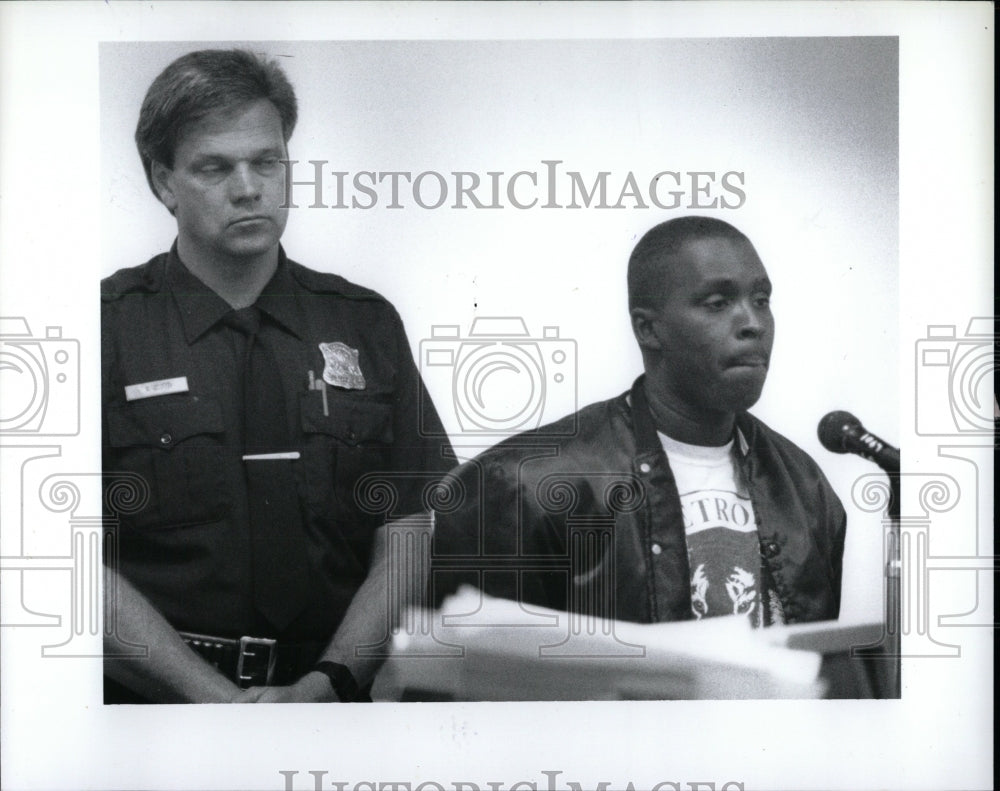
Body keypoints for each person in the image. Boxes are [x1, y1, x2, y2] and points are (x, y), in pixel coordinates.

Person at [102, 49, 453, 703]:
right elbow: (61, 558)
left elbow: (406, 529)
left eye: (267, 161)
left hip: (332, 701)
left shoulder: (366, 324)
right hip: (151, 710)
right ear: (164, 181)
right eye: (215, 167)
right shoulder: (102, 329)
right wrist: (216, 701)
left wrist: (329, 682)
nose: (248, 186)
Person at [431, 216, 846, 628]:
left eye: (761, 300)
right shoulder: (521, 487)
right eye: (717, 304)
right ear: (648, 329)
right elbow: (478, 679)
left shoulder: (805, 488)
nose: (753, 324)